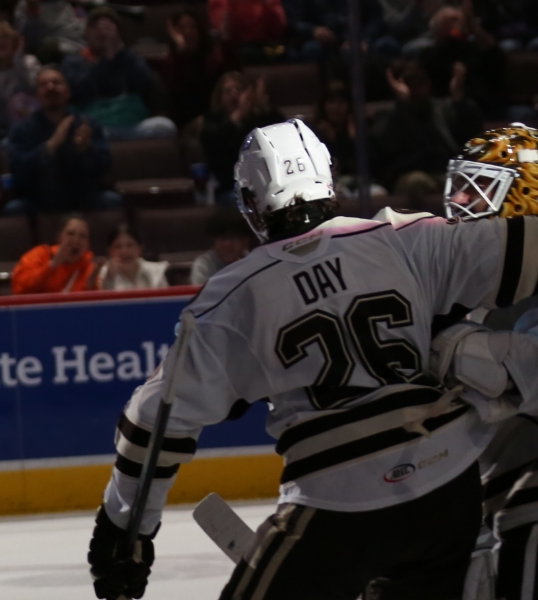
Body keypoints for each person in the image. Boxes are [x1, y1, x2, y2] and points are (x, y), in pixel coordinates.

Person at [87, 118, 538, 599]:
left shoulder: (231, 298)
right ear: (328, 177)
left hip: (340, 496)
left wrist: (123, 531)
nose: (464, 203)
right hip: (450, 486)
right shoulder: (408, 236)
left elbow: (153, 424)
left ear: (252, 203)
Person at [440, 124, 538, 600]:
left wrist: (451, 348)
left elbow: (517, 377)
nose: (459, 201)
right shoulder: (483, 284)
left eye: (478, 188)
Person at [4, 67, 118, 214]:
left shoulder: (87, 124)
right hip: (39, 199)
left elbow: (105, 167)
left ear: (68, 92)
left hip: (82, 197)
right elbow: (18, 171)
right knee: (14, 209)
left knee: (111, 201)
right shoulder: (22, 129)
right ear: (37, 96)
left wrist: (88, 149)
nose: (50, 87)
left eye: (56, 83)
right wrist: (49, 147)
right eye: (44, 84)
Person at [60, 9, 177, 141]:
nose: (102, 31)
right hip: (98, 127)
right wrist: (107, 59)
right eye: (95, 26)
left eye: (108, 26)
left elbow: (144, 83)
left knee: (166, 127)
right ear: (85, 34)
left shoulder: (130, 58)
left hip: (133, 126)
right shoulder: (74, 61)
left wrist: (121, 53)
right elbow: (81, 92)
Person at [374, 58, 481, 199]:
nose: (417, 87)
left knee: (464, 181)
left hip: (445, 171)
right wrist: (405, 105)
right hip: (409, 175)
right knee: (417, 182)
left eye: (421, 82)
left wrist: (459, 98)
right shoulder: (392, 115)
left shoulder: (443, 109)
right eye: (411, 83)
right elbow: (387, 147)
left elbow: (471, 133)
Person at [200, 72, 285, 206]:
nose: (234, 93)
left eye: (238, 89)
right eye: (228, 91)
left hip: (266, 184)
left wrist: (265, 108)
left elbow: (281, 133)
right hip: (230, 187)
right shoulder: (212, 123)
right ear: (220, 97)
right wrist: (238, 115)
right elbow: (216, 150)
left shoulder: (258, 120)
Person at [159, 7, 230, 126]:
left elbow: (230, 75)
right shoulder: (170, 63)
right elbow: (178, 97)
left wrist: (226, 41)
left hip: (213, 120)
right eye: (183, 28)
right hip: (186, 124)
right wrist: (181, 52)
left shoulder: (209, 60)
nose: (188, 32)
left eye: (193, 27)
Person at [10, 214, 95, 294]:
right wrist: (52, 265)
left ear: (88, 244)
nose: (76, 240)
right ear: (59, 237)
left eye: (82, 236)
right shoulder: (39, 255)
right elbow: (20, 289)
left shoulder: (90, 270)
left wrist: (93, 286)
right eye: (70, 234)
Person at [189, 207, 257, 286]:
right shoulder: (203, 265)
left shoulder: (253, 263)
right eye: (222, 238)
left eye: (233, 237)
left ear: (245, 241)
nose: (227, 244)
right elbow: (203, 296)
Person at [209, 0, 289, 64]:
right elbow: (221, 33)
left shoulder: (271, 2)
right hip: (235, 47)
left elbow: (278, 31)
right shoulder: (220, 2)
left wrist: (267, 5)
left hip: (265, 46)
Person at [93, 224, 167, 290]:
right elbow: (104, 302)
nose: (124, 251)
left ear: (139, 248)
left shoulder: (156, 271)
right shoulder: (104, 273)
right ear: (110, 251)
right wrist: (109, 279)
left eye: (130, 245)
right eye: (118, 246)